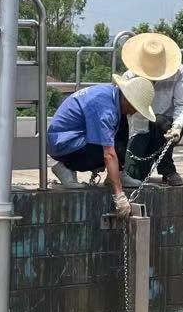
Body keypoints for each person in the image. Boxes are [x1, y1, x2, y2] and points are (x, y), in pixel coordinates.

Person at [46, 73, 156, 219]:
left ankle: (116, 174)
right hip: (63, 143)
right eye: (136, 108)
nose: (135, 112)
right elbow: (108, 154)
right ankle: (66, 167)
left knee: (121, 126)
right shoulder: (105, 110)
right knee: (106, 152)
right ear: (128, 100)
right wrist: (119, 194)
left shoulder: (111, 96)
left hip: (74, 137)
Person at [119, 32, 183, 188]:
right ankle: (140, 163)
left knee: (159, 121)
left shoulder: (179, 72)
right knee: (135, 175)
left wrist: (178, 126)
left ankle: (168, 169)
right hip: (138, 129)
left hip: (166, 127)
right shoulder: (129, 77)